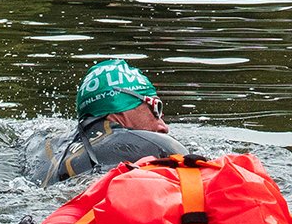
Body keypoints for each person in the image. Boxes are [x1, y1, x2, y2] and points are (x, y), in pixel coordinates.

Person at [26, 57, 190, 186]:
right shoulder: (157, 146)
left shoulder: (43, 146)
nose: (163, 127)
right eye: (156, 108)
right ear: (122, 105)